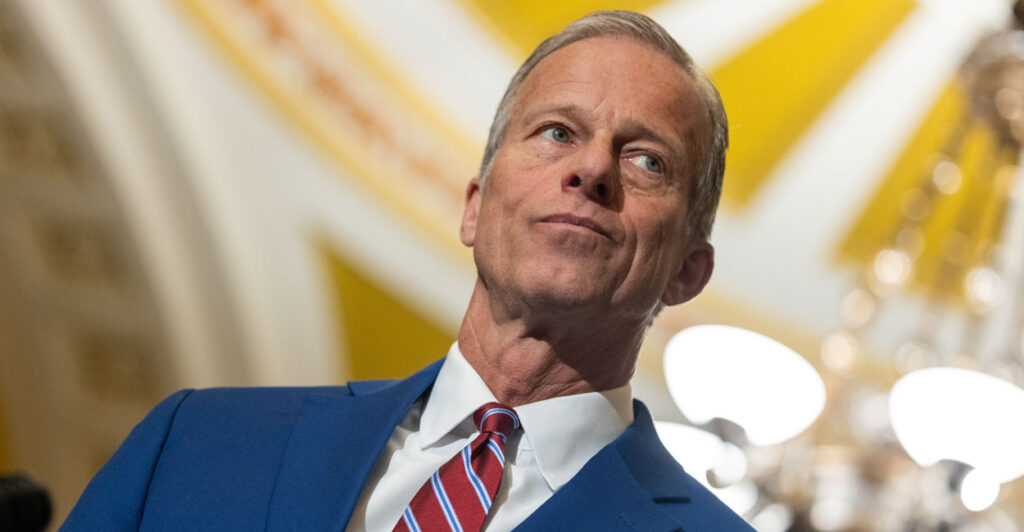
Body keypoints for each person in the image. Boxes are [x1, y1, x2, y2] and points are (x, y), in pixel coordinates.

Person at [62, 10, 753, 532]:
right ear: (474, 207)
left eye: (647, 160)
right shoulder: (199, 441)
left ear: (687, 273)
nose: (592, 167)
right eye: (557, 132)